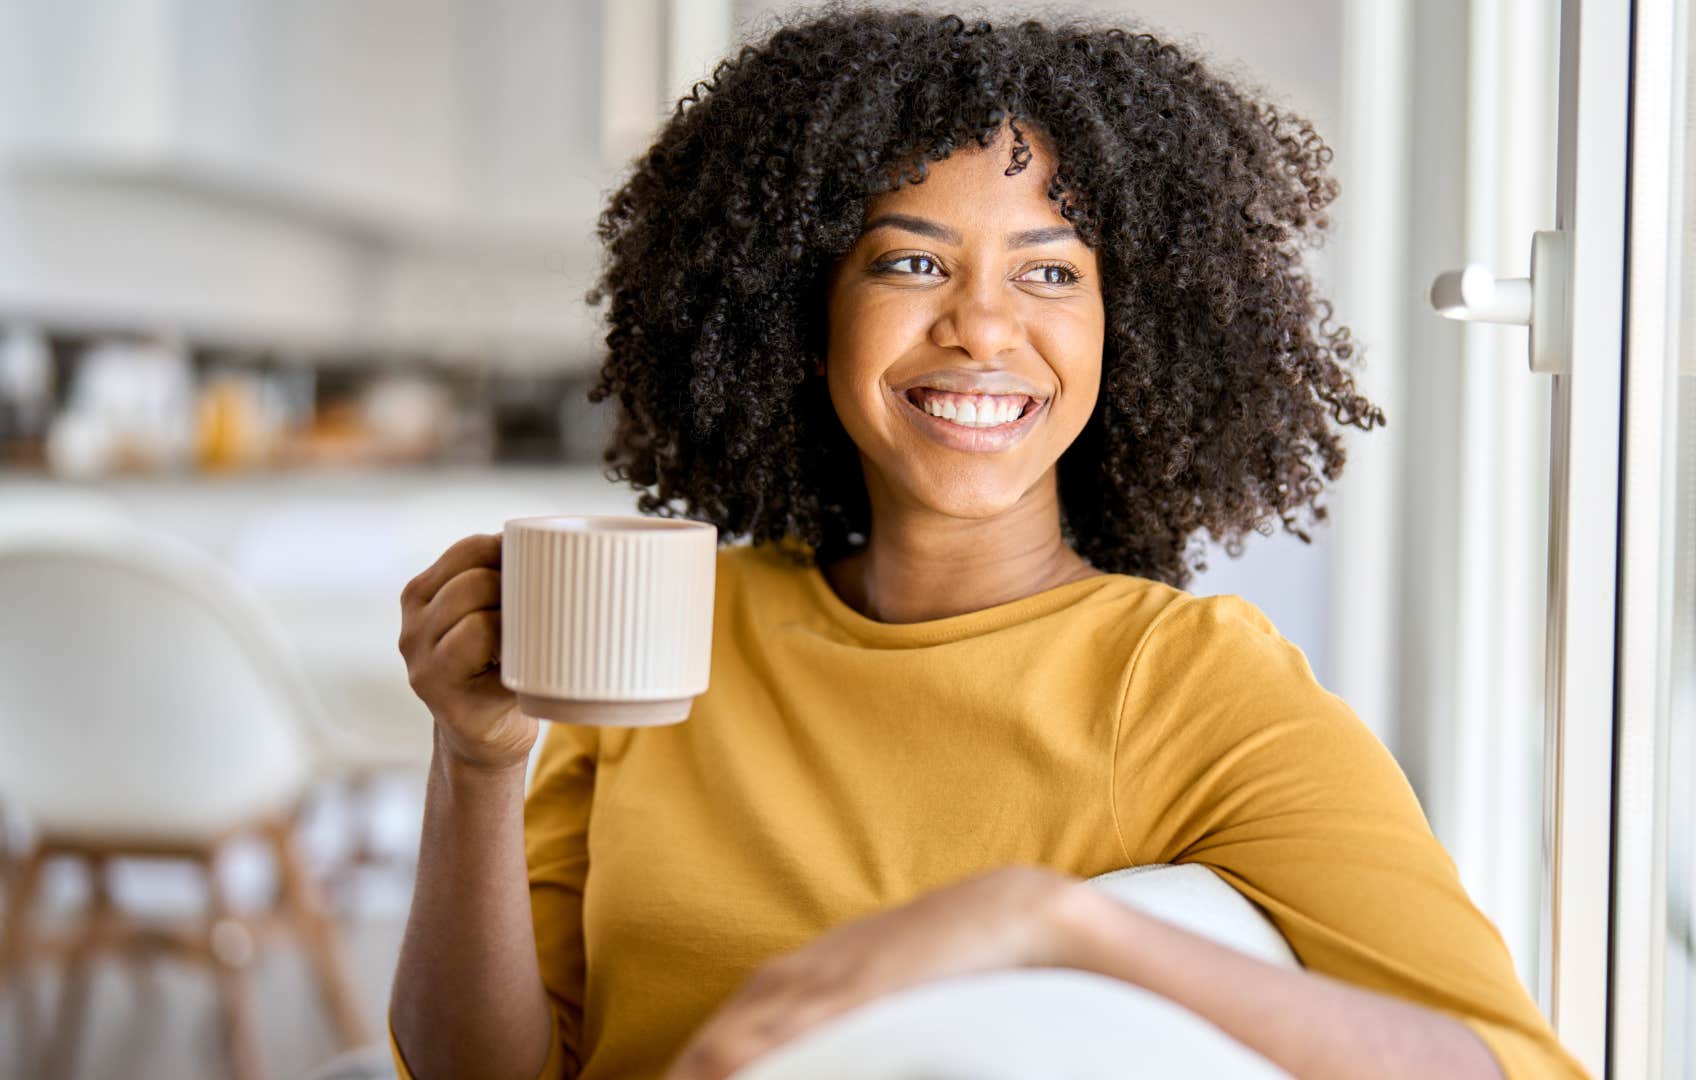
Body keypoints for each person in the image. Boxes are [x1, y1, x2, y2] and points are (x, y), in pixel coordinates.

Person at [386, 7, 1586, 1079]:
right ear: (806, 317)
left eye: (1050, 272)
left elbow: (1502, 1064)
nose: (982, 327)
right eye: (911, 262)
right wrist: (478, 764)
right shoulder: (674, 630)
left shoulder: (1187, 687)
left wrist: (1059, 927)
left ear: (1129, 335)